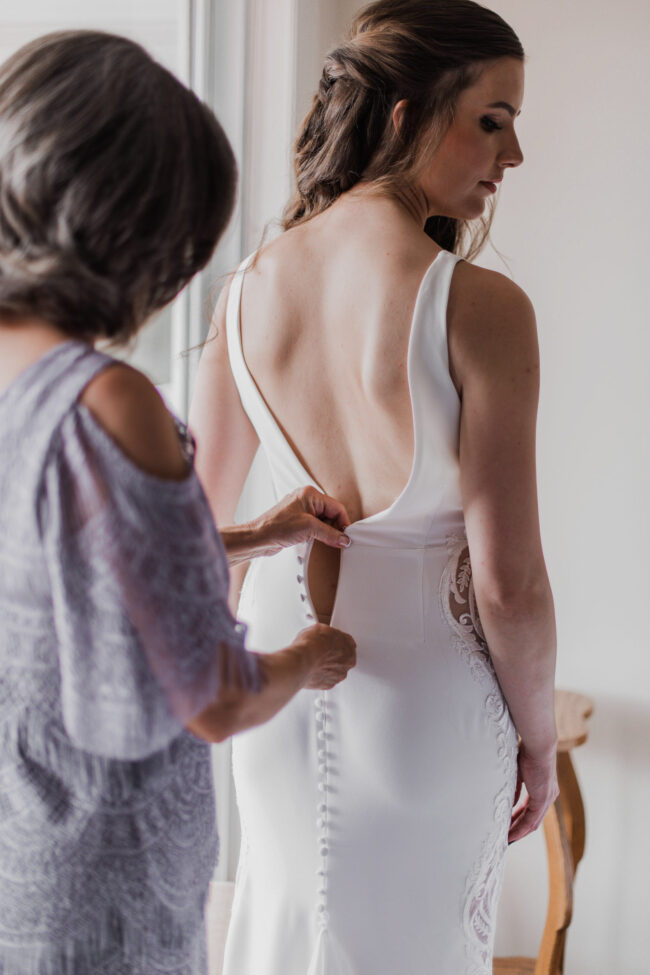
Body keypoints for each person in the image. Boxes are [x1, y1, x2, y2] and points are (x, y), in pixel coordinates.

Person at [190, 1, 560, 973]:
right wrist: (537, 745)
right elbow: (508, 582)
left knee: (279, 933)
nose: (512, 153)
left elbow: (196, 540)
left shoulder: (242, 296)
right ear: (403, 114)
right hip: (426, 707)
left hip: (270, 698)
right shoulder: (481, 307)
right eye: (492, 117)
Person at [0, 30, 356, 975]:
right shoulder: (110, 403)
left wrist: (248, 531)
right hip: (103, 886)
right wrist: (311, 655)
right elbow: (209, 695)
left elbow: (70, 575)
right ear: (140, 231)